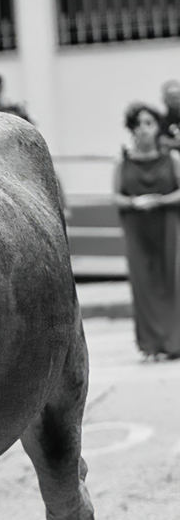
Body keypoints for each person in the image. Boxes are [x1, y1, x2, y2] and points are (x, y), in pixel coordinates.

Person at [113, 103, 180, 360]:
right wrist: (133, 202)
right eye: (138, 124)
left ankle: (175, 342)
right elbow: (116, 196)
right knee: (143, 284)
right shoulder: (122, 162)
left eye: (149, 123)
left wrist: (160, 201)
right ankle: (151, 344)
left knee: (172, 281)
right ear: (132, 129)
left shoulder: (171, 158)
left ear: (157, 127)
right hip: (137, 229)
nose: (144, 129)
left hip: (168, 225)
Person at [158, 80, 180, 153]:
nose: (175, 99)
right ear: (164, 99)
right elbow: (160, 141)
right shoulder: (160, 122)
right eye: (171, 96)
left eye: (177, 95)